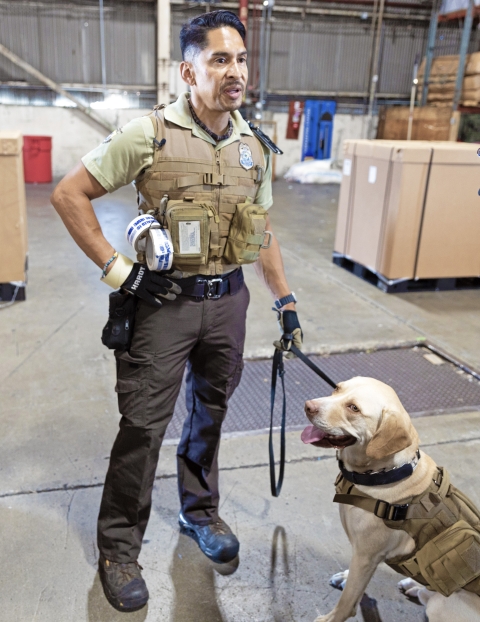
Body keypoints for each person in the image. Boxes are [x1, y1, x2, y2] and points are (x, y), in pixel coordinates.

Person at [51, 10, 302, 613]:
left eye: (241, 58)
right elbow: (69, 194)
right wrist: (120, 271)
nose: (234, 71)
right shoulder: (149, 135)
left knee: (211, 414)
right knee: (143, 425)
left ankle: (201, 513)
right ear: (189, 70)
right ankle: (118, 548)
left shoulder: (255, 146)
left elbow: (261, 230)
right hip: (162, 306)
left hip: (229, 305)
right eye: (219, 60)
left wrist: (285, 301)